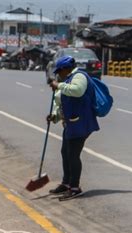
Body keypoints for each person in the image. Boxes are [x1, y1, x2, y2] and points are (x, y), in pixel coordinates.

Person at [47, 56, 100, 201]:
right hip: (71, 123)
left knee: (73, 154)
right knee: (65, 152)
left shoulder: (79, 76)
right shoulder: (69, 79)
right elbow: (65, 103)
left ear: (66, 69)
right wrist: (55, 116)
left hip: (81, 122)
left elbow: (77, 91)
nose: (59, 74)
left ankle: (75, 187)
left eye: (60, 71)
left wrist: (58, 85)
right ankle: (66, 183)